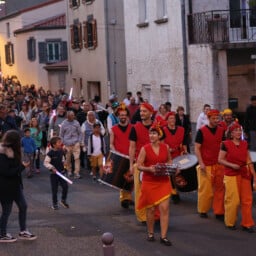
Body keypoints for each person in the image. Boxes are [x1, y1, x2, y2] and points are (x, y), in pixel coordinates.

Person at [137, 123, 172, 246]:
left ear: (159, 135)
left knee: (164, 209)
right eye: (150, 133)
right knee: (151, 209)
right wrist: (149, 169)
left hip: (163, 181)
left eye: (154, 133)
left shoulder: (166, 147)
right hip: (149, 182)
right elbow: (139, 165)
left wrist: (171, 167)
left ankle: (164, 236)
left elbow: (169, 160)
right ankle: (151, 233)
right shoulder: (144, 148)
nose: (151, 135)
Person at [218, 122, 256, 232]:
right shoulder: (225, 144)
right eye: (236, 130)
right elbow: (220, 160)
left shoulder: (244, 144)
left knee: (247, 200)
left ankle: (247, 223)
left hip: (244, 173)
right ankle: (229, 222)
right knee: (233, 201)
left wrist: (254, 174)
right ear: (231, 133)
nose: (238, 132)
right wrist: (232, 165)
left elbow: (248, 160)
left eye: (240, 130)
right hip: (231, 175)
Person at [0, 130, 37, 242]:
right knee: (7, 210)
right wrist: (22, 166)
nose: (20, 141)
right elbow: (6, 171)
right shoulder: (2, 153)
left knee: (23, 206)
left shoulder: (14, 150)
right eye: (18, 140)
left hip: (15, 185)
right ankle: (2, 234)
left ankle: (23, 230)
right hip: (5, 186)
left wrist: (21, 166)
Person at [129, 102, 159, 223]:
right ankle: (142, 216)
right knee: (140, 193)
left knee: (156, 191)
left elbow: (162, 145)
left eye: (144, 111)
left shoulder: (157, 128)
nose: (142, 113)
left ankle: (156, 215)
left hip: (155, 165)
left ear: (151, 113)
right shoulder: (135, 128)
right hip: (140, 165)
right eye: (141, 111)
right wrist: (131, 165)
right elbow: (132, 147)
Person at [194, 109, 225, 220]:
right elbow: (197, 148)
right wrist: (201, 163)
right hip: (206, 164)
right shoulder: (201, 131)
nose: (216, 120)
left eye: (218, 118)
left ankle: (219, 211)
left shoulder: (221, 131)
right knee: (205, 189)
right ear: (209, 119)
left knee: (220, 189)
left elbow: (224, 147)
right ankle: (203, 209)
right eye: (214, 118)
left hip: (219, 164)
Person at [110, 103, 133, 208]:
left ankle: (128, 197)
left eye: (124, 115)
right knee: (121, 178)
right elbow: (111, 143)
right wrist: (115, 153)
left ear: (127, 116)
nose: (123, 117)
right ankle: (124, 198)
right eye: (121, 115)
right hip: (120, 157)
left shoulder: (133, 128)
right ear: (117, 116)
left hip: (131, 156)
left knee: (130, 178)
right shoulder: (114, 129)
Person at [163, 111, 187, 204]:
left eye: (173, 118)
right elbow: (162, 143)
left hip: (179, 154)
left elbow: (184, 142)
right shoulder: (163, 130)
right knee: (171, 174)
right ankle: (173, 192)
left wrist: (185, 150)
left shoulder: (181, 129)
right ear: (167, 120)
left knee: (179, 174)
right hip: (168, 155)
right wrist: (167, 149)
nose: (172, 120)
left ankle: (179, 189)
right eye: (170, 118)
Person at [44, 136, 69, 210]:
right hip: (54, 174)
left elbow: (63, 159)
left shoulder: (61, 151)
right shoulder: (50, 153)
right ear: (54, 144)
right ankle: (54, 204)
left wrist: (64, 164)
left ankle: (63, 200)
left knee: (65, 186)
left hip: (62, 173)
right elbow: (46, 163)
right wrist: (52, 168)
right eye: (59, 142)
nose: (60, 143)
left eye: (60, 142)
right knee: (54, 190)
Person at [59, 111, 83, 179]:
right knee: (68, 159)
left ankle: (76, 172)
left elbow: (80, 133)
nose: (73, 116)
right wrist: (63, 143)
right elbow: (61, 135)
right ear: (68, 116)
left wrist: (79, 141)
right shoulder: (63, 124)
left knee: (77, 158)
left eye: (73, 115)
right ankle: (69, 171)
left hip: (75, 143)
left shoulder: (76, 123)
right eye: (71, 115)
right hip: (67, 143)